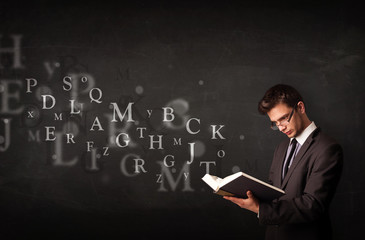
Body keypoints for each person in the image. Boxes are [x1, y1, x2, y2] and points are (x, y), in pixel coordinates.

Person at [224, 84, 343, 240]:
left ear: (300, 107)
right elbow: (274, 191)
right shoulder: (281, 147)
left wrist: (261, 209)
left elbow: (312, 204)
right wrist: (250, 195)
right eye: (275, 123)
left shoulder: (327, 148)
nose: (280, 128)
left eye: (284, 118)